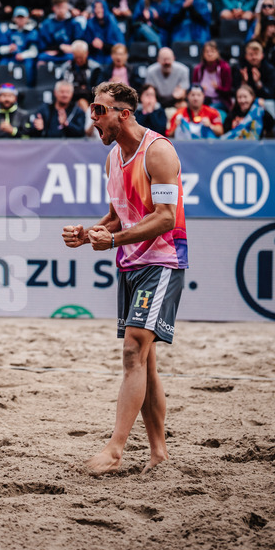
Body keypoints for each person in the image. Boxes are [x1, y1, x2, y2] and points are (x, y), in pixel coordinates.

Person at [62, 81, 187, 475]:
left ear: (124, 114)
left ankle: (116, 449)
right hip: (131, 263)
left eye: (99, 110)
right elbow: (120, 214)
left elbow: (166, 216)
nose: (93, 117)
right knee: (145, 363)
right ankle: (159, 454)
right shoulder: (113, 158)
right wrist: (89, 234)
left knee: (133, 350)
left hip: (163, 261)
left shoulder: (159, 151)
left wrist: (113, 238)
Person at [59, 40, 102, 109]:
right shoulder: (65, 67)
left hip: (89, 100)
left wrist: (80, 89)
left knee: (82, 102)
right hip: (69, 98)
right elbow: (62, 85)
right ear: (73, 54)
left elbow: (96, 89)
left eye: (81, 58)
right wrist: (81, 89)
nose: (78, 60)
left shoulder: (95, 68)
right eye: (76, 57)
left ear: (86, 53)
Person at [191, 41, 233, 111]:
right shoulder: (198, 69)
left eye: (212, 51)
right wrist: (201, 89)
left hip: (220, 102)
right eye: (207, 52)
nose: (209, 54)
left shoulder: (224, 68)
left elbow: (228, 91)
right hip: (202, 101)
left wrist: (218, 88)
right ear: (203, 54)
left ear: (217, 53)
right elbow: (194, 87)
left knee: (209, 109)